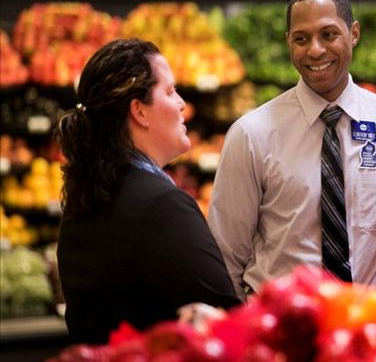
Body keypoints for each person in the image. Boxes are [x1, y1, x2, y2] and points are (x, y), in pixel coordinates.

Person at [208, 0, 376, 300]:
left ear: (353, 33)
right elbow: (225, 257)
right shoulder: (251, 135)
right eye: (301, 39)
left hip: (370, 329)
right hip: (284, 333)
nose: (315, 50)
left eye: (329, 34)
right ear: (288, 42)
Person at [56, 38, 239, 344]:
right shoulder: (162, 206)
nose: (182, 104)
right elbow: (224, 320)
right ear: (139, 111)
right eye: (170, 91)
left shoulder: (84, 198)